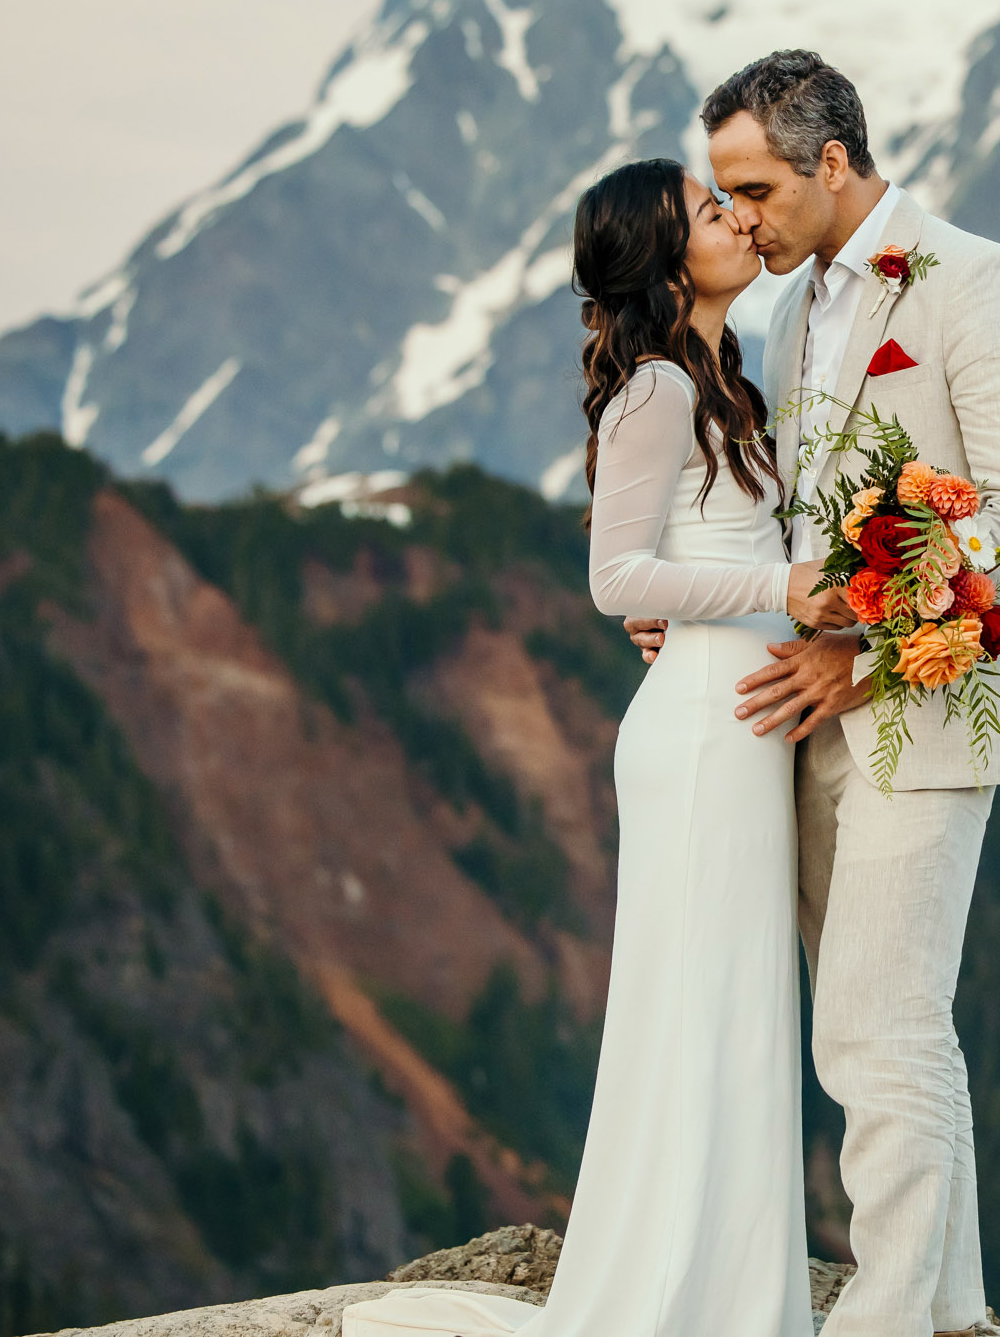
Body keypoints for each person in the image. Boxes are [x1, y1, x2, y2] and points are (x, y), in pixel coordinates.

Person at [348, 157, 853, 1337]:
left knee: (732, 1004)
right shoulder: (657, 391)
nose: (735, 217)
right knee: (694, 1004)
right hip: (696, 730)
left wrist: (748, 595)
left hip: (736, 715)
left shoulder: (726, 379)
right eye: (709, 208)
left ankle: (730, 1287)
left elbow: (675, 562)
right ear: (667, 255)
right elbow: (612, 573)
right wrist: (783, 583)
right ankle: (681, 1295)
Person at [627, 51, 1000, 1337]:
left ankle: (882, 1320)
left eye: (756, 187)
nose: (739, 216)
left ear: (834, 163)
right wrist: (704, 597)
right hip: (805, 722)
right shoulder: (789, 306)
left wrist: (864, 650)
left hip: (931, 714)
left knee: (878, 1033)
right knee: (883, 1030)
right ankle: (951, 1306)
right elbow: (807, 532)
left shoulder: (971, 282)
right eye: (727, 191)